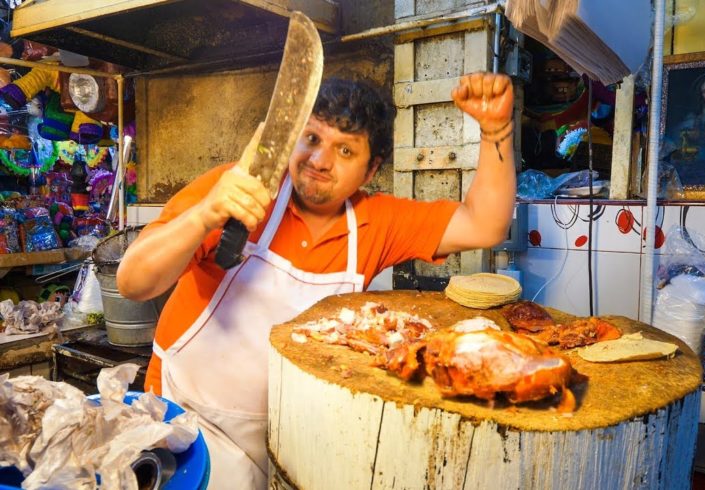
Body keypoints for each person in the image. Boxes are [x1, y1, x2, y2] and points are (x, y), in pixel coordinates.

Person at [116, 72, 516, 489]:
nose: (320, 160)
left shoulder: (376, 222)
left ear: (370, 169)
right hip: (184, 425)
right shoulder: (241, 189)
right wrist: (204, 215)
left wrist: (496, 130)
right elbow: (133, 283)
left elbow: (484, 225)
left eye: (345, 150)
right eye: (311, 138)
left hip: (290, 436)